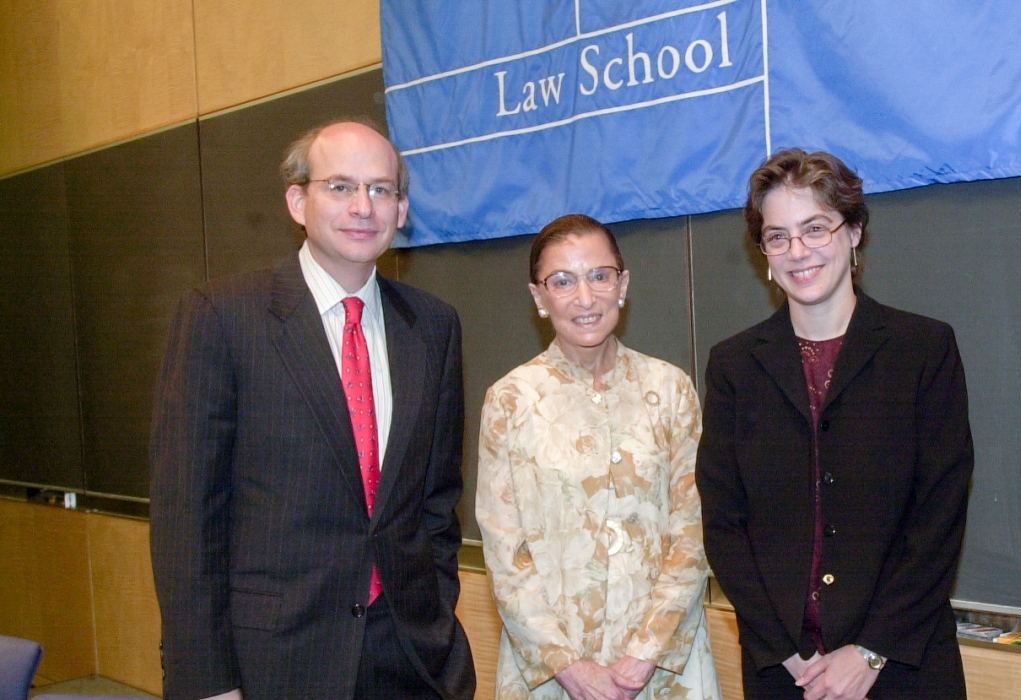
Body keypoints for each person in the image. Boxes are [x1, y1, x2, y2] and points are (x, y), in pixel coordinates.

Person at [150, 119, 475, 700]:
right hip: (272, 662)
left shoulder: (433, 325)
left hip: (409, 657)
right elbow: (186, 519)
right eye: (341, 186)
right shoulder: (222, 317)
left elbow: (436, 501)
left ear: (402, 210)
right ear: (298, 201)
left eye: (381, 190)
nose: (363, 207)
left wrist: (436, 610)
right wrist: (205, 678)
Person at [695, 149, 973, 700]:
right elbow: (724, 521)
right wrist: (785, 651)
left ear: (854, 232)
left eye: (816, 228)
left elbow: (939, 516)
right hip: (785, 671)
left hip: (903, 664)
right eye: (778, 237)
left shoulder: (922, 349)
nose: (798, 251)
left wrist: (872, 649)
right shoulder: (734, 365)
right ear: (764, 254)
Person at [476, 214, 721, 700]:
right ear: (539, 297)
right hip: (553, 673)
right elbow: (506, 553)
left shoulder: (670, 390)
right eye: (562, 281)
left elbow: (693, 530)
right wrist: (568, 666)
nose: (584, 298)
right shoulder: (510, 400)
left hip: (662, 670)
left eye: (599, 276)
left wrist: (644, 653)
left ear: (622, 284)